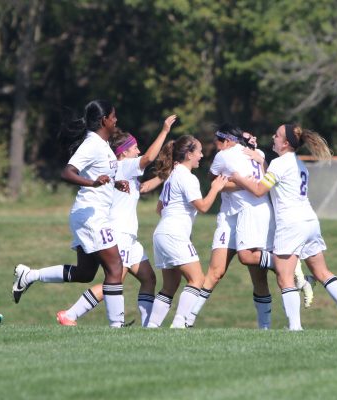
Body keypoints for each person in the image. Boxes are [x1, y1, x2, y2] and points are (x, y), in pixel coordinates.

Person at [231, 124, 337, 330]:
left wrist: (238, 178)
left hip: (291, 225)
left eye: (277, 135)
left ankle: (295, 327)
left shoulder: (279, 164)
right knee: (322, 271)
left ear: (286, 143)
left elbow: (258, 190)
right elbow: (277, 181)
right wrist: (263, 161)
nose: (273, 137)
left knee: (285, 278)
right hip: (310, 222)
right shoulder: (297, 163)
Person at [12, 99, 127, 327]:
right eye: (113, 117)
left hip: (89, 214)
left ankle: (30, 276)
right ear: (104, 120)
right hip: (91, 216)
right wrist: (92, 183)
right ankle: (118, 328)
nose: (116, 121)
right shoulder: (92, 144)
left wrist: (114, 183)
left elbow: (99, 174)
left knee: (85, 273)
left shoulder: (102, 145)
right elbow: (67, 172)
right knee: (115, 268)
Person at [186, 124, 314, 329]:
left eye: (218, 142)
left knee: (254, 274)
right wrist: (241, 181)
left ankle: (266, 322)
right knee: (216, 271)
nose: (216, 147)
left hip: (251, 214)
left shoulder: (224, 156)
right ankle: (187, 320)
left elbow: (213, 179)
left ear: (227, 141)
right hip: (230, 217)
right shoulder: (258, 152)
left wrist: (236, 181)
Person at [56, 115, 176, 327]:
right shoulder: (123, 167)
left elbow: (144, 188)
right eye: (135, 148)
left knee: (148, 278)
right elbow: (148, 158)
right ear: (124, 153)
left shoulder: (125, 173)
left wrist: (167, 173)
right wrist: (165, 131)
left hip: (131, 238)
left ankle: (149, 326)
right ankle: (71, 314)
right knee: (113, 282)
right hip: (119, 234)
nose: (138, 151)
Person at [146, 135, 227, 328]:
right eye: (198, 151)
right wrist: (215, 188)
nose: (201, 155)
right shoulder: (186, 177)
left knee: (170, 286)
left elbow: (159, 209)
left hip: (161, 234)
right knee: (197, 279)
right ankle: (179, 324)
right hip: (173, 234)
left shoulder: (172, 176)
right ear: (189, 154)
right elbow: (203, 207)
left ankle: (151, 327)